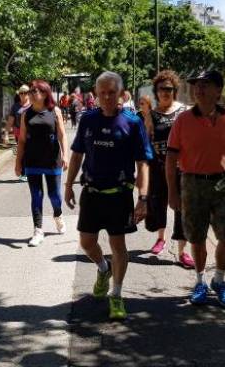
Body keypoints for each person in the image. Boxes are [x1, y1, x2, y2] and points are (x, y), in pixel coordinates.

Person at [65, 71, 153, 320]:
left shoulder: (132, 123)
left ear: (121, 95)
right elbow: (77, 155)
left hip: (119, 195)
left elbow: (143, 163)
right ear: (95, 94)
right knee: (87, 242)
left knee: (118, 245)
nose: (106, 97)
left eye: (111, 92)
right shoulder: (88, 120)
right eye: (101, 92)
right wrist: (68, 184)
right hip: (92, 193)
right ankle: (103, 269)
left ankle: (116, 294)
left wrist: (143, 198)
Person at [166, 70, 225, 309]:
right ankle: (201, 281)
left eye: (206, 84)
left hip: (224, 182)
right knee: (197, 235)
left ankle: (219, 280)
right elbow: (171, 159)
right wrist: (172, 192)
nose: (199, 89)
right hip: (192, 183)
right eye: (196, 85)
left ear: (218, 90)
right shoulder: (183, 120)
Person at [138, 71, 194, 269]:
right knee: (158, 201)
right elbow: (146, 140)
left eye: (169, 89)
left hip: (183, 167)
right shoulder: (151, 115)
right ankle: (160, 238)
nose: (165, 93)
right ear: (156, 92)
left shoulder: (185, 111)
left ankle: (182, 251)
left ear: (175, 91)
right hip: (158, 166)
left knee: (182, 207)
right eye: (161, 89)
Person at [15, 79, 69, 246]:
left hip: (52, 160)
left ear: (45, 93)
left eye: (34, 91)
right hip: (32, 160)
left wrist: (65, 155)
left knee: (54, 195)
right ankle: (38, 231)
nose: (31, 94)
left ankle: (58, 214)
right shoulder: (26, 114)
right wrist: (18, 163)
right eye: (30, 91)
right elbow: (22, 140)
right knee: (36, 196)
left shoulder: (55, 111)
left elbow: (62, 135)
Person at [4, 84, 31, 181]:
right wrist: (6, 134)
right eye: (21, 93)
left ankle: (31, 172)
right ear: (19, 94)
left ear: (29, 94)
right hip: (19, 133)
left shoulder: (33, 105)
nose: (23, 95)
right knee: (23, 152)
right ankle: (24, 173)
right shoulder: (15, 107)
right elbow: (10, 121)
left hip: (31, 133)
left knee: (30, 153)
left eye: (25, 93)